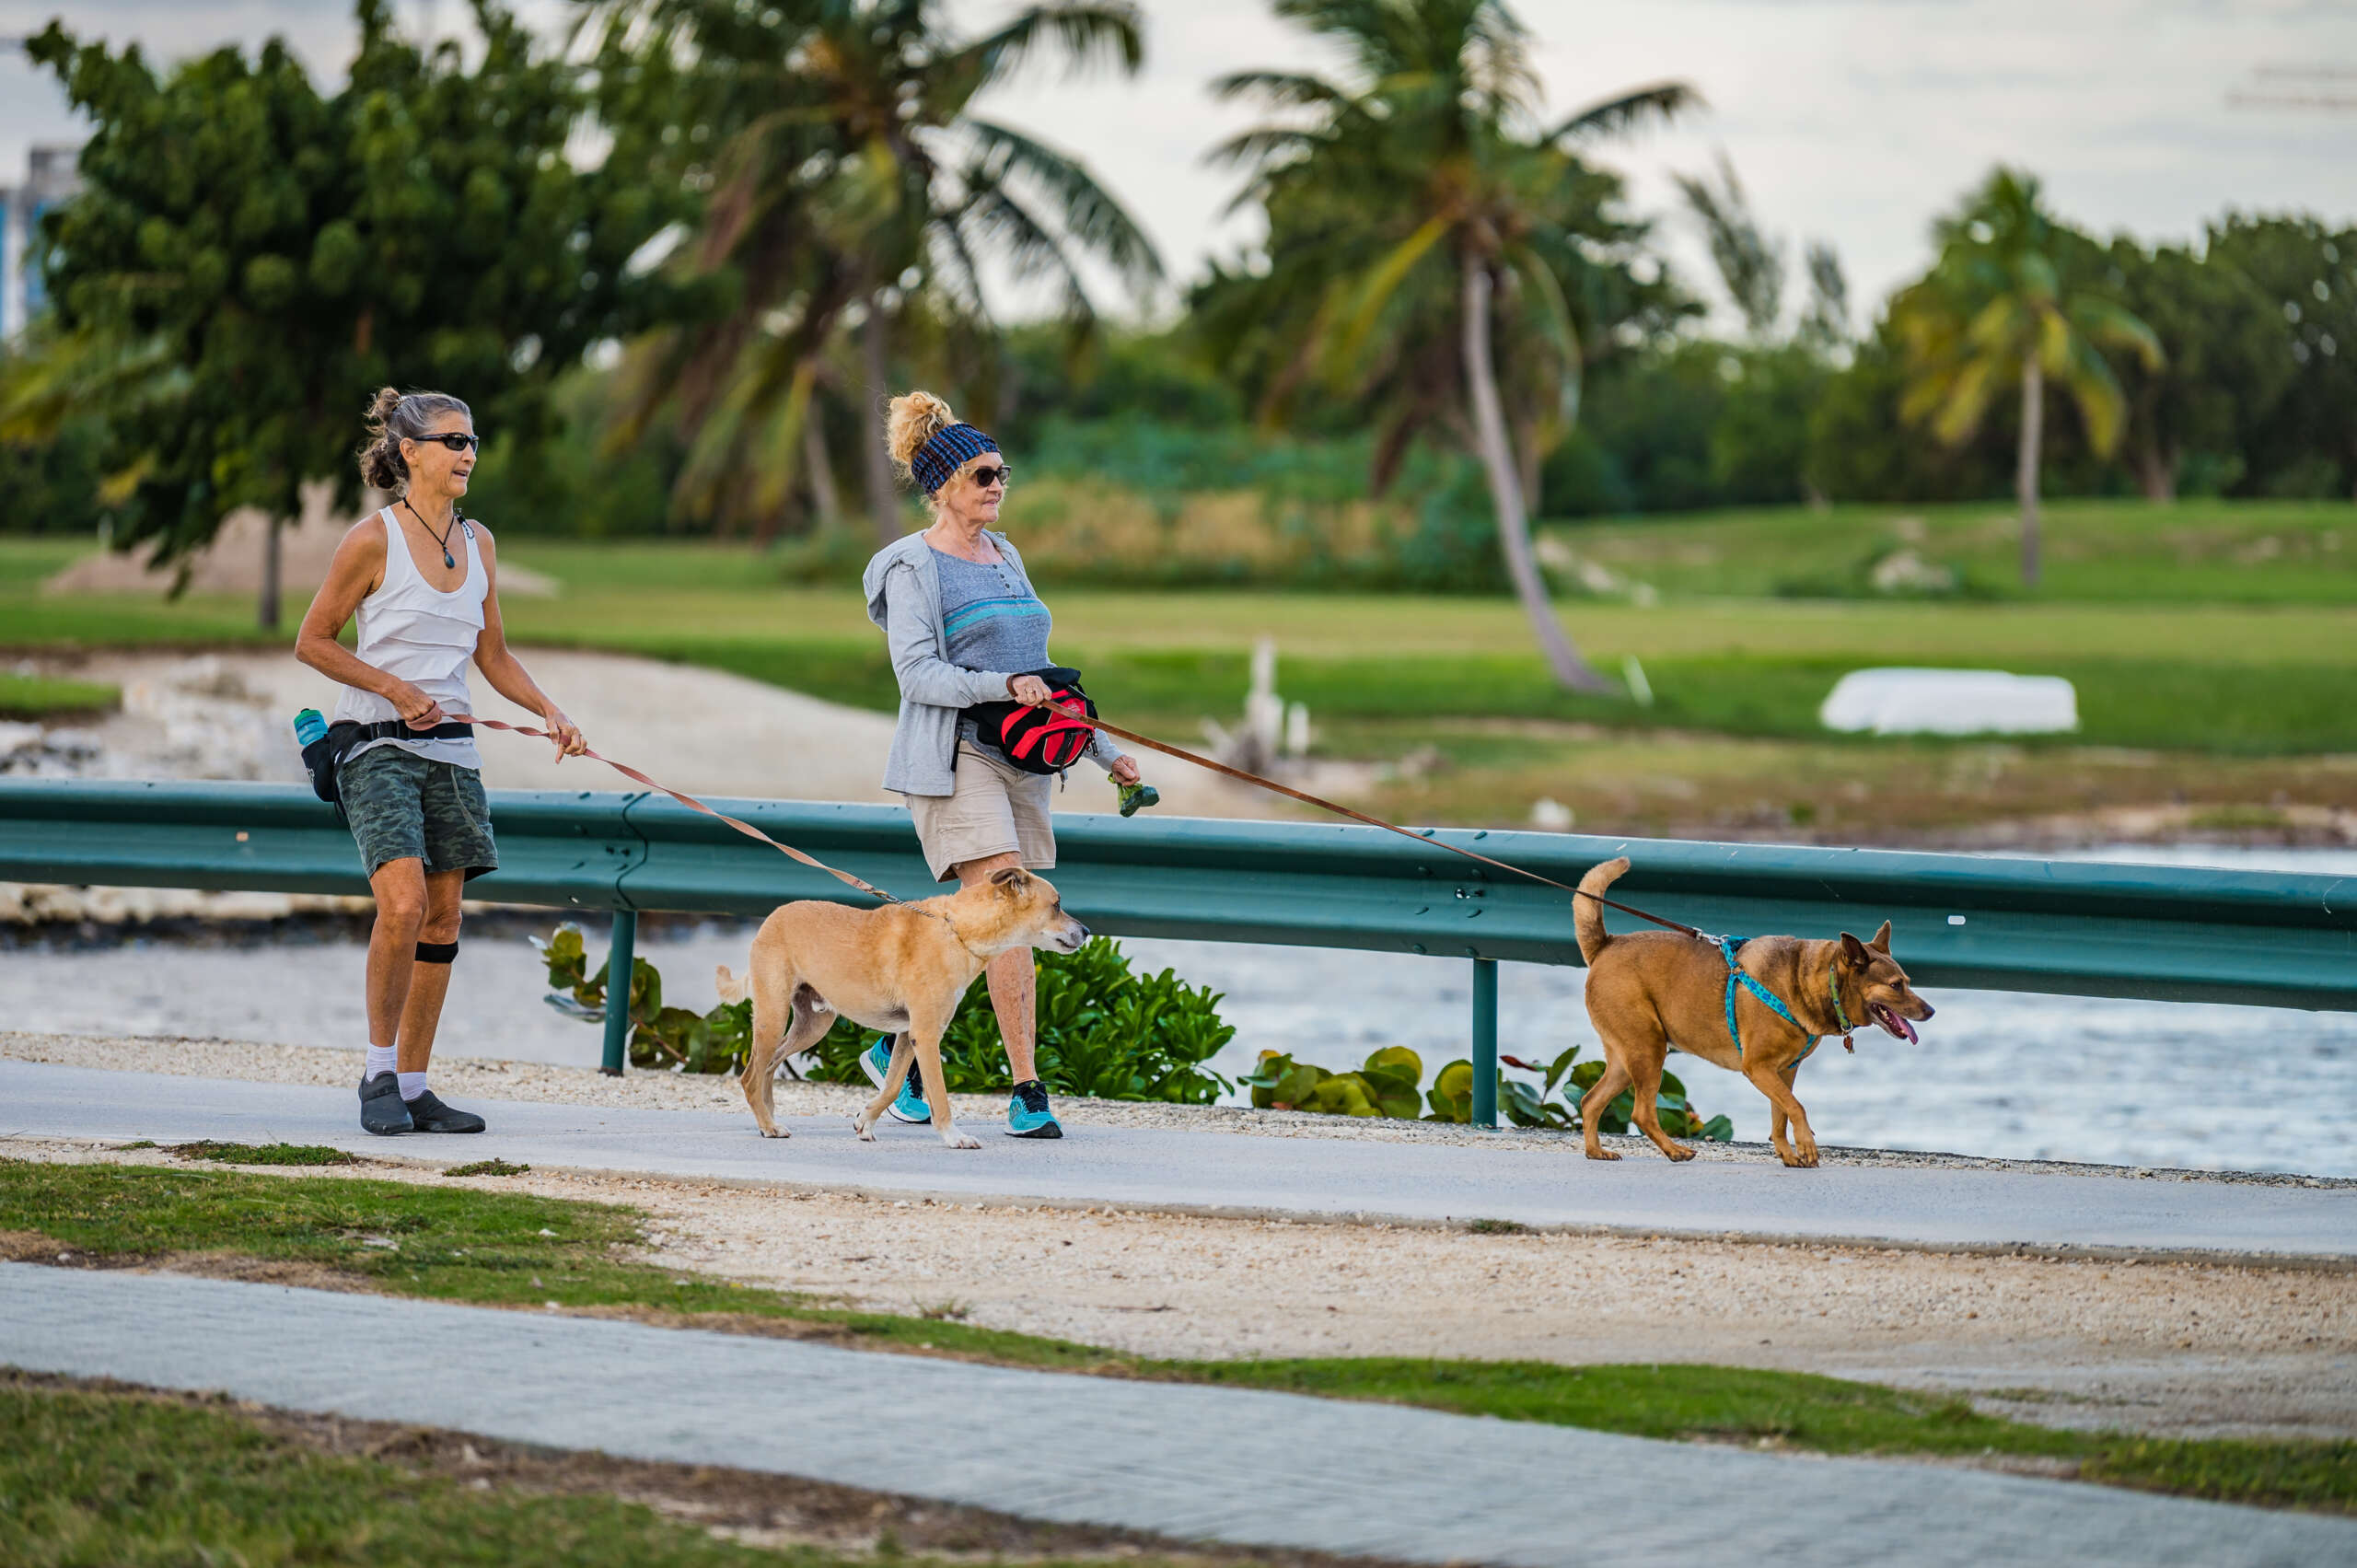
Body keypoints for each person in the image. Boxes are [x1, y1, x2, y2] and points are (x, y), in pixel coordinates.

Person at [296, 388, 586, 1136]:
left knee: (446, 912)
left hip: (451, 748)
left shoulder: (480, 541)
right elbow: (315, 641)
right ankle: (377, 1074)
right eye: (452, 441)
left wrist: (550, 712)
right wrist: (393, 686)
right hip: (375, 742)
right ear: (409, 453)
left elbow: (491, 654)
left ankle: (418, 1085)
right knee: (404, 905)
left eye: (473, 441)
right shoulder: (371, 540)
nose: (467, 453)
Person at [859, 391, 1146, 1138]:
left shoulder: (1005, 554)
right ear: (943, 486)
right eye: (983, 473)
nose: (996, 485)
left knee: (980, 925)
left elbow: (1039, 671)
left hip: (1028, 757)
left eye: (1002, 472)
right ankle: (1028, 1090)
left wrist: (1102, 749)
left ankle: (904, 1053)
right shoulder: (910, 567)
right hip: (956, 759)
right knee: (1016, 907)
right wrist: (998, 687)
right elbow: (918, 674)